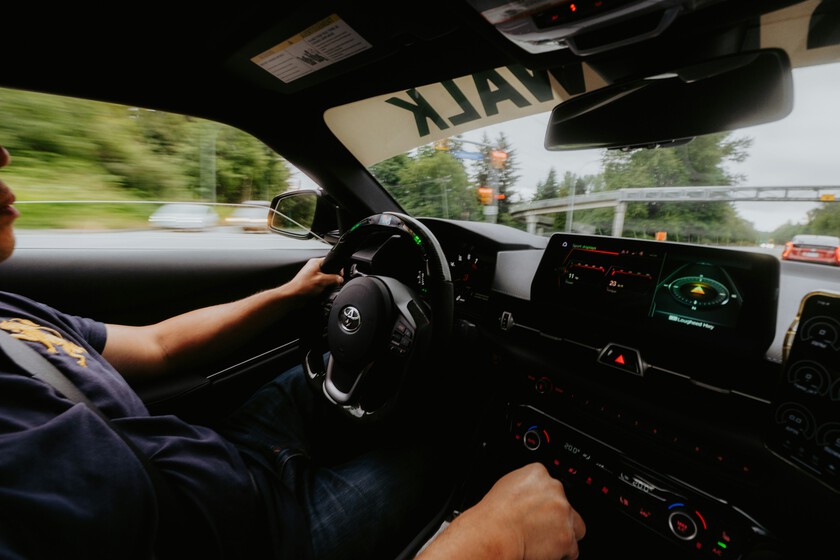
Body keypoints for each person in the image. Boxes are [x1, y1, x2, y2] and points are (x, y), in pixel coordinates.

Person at [0, 144, 585, 559]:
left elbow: (158, 345)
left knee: (332, 371)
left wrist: (289, 295)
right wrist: (497, 539)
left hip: (228, 457)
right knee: (454, 431)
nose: (3, 156)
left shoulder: (10, 313)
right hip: (269, 538)